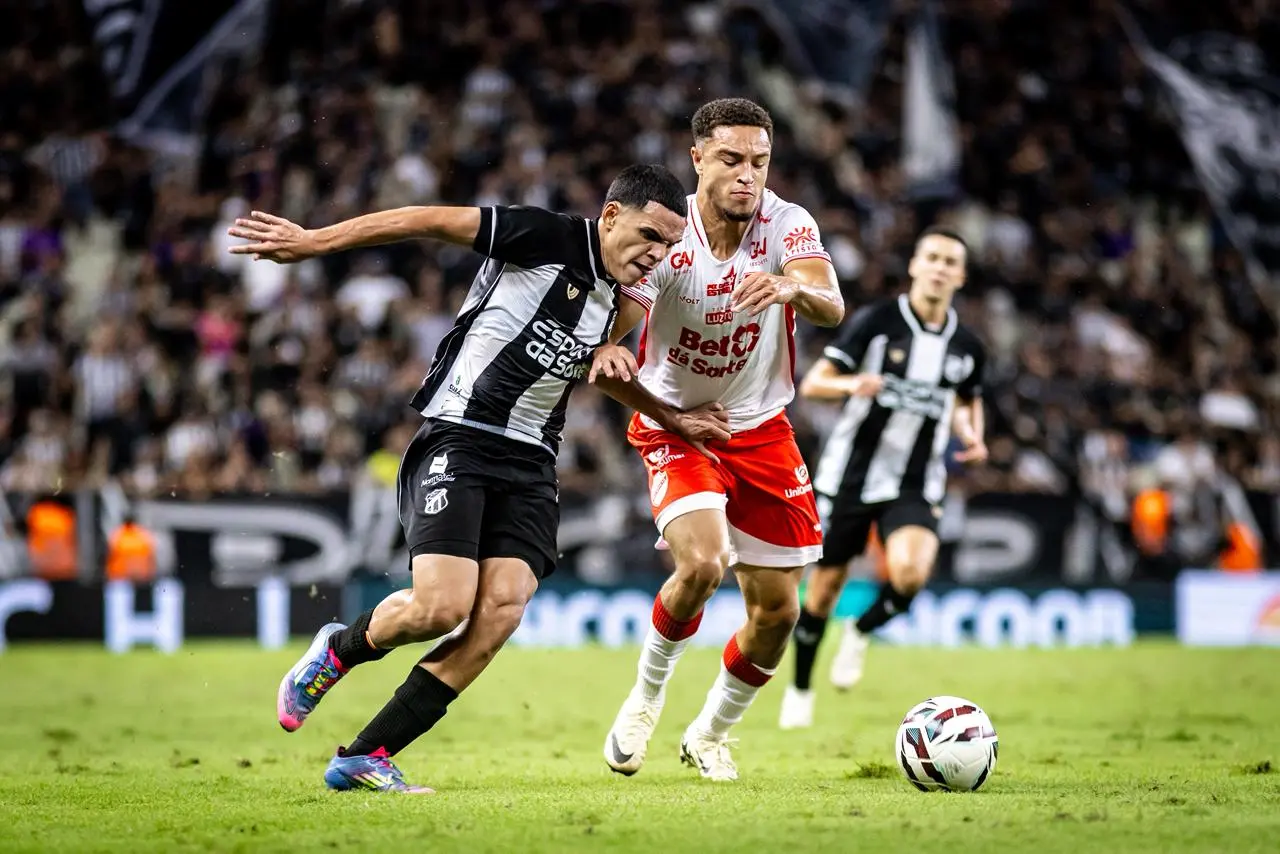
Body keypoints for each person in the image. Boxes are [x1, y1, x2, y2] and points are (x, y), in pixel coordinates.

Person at [227, 164, 732, 793]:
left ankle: (366, 755)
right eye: (649, 235)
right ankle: (338, 651)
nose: (656, 254)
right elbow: (424, 220)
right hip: (460, 435)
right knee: (440, 607)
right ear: (610, 216)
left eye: (667, 246)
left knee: (500, 612)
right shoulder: (541, 236)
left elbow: (605, 367)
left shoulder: (635, 291)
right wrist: (315, 242)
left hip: (531, 461)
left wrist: (673, 416)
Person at [590, 98, 844, 781]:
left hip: (760, 428)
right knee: (702, 565)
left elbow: (831, 300)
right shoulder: (668, 237)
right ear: (697, 157)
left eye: (759, 162)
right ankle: (645, 699)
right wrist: (613, 350)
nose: (747, 176)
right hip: (677, 424)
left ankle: (709, 733)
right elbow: (619, 321)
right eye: (731, 160)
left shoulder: (787, 224)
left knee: (778, 613)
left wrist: (791, 288)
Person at [777, 227, 988, 730]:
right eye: (931, 257)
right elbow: (814, 384)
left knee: (911, 574)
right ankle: (801, 690)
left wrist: (971, 434)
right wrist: (855, 383)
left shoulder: (967, 345)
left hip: (915, 480)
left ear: (959, 275)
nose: (939, 267)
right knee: (823, 591)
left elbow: (965, 398)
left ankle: (862, 629)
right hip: (851, 476)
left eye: (949, 262)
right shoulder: (876, 322)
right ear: (915, 265)